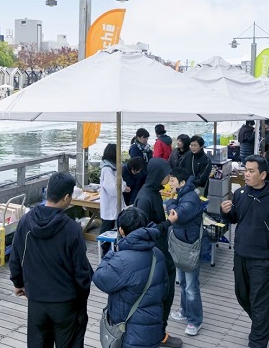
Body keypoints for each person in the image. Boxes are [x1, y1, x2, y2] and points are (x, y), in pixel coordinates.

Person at [9, 172, 93, 348]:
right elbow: (82, 271)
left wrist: (18, 283)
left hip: (36, 301)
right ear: (67, 197)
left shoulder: (25, 222)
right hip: (65, 302)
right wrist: (81, 297)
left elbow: (15, 258)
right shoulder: (71, 229)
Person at [220, 155, 269, 348]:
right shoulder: (241, 193)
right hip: (240, 255)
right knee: (241, 295)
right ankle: (262, 323)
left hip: (263, 260)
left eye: (251, 171)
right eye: (245, 170)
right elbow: (234, 219)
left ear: (263, 174)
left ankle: (257, 341)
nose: (246, 174)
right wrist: (225, 212)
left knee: (260, 303)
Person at [93, 207, 169, 348]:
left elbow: (99, 278)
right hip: (153, 327)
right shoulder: (157, 254)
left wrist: (111, 253)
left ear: (121, 231)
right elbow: (165, 290)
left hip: (129, 332)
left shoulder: (121, 260)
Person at [134, 158, 182, 348]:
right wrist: (169, 222)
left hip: (159, 251)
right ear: (157, 175)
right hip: (153, 253)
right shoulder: (146, 197)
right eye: (166, 174)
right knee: (163, 294)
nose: (169, 177)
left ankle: (159, 331)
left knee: (165, 293)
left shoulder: (152, 192)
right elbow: (145, 229)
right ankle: (158, 334)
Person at [166, 168, 205, 337]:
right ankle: (184, 310)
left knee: (191, 286)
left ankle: (195, 320)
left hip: (189, 247)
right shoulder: (184, 194)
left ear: (182, 183)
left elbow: (177, 215)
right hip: (180, 244)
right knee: (182, 282)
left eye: (173, 181)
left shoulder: (191, 198)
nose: (170, 184)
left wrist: (170, 202)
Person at [99, 143, 128, 257]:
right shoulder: (107, 169)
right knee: (107, 232)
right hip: (110, 207)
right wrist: (122, 187)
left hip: (116, 205)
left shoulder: (113, 167)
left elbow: (122, 182)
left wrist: (123, 186)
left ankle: (111, 252)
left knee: (115, 230)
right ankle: (105, 254)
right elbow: (113, 189)